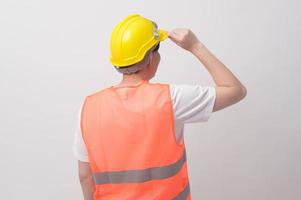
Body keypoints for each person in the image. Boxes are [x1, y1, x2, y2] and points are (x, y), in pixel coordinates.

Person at [73, 14, 247, 200]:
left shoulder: (89, 107)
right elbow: (235, 90)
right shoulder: (171, 99)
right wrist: (195, 46)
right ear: (151, 57)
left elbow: (85, 176)